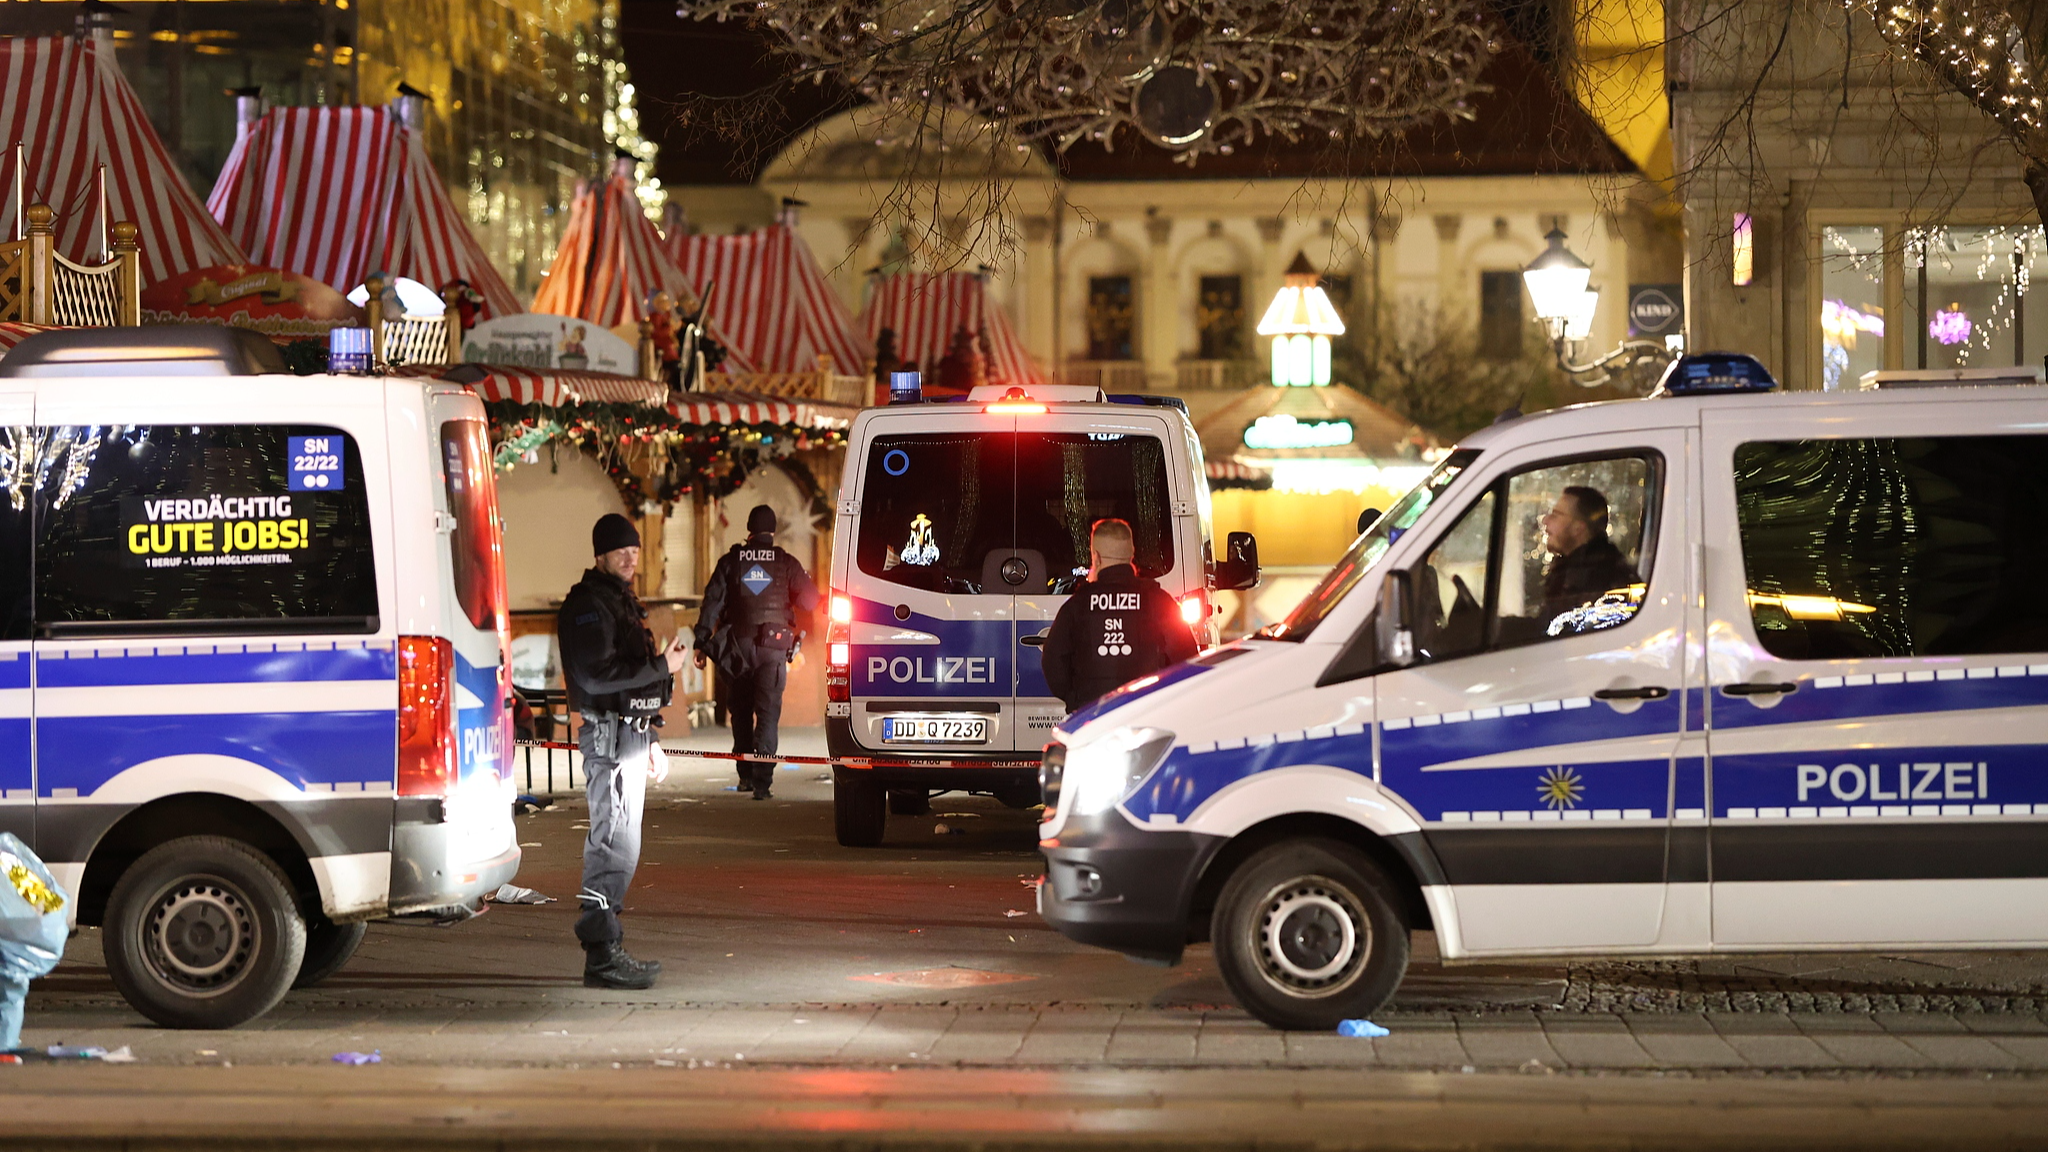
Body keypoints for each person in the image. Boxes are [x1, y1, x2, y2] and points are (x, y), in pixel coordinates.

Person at [557, 513, 686, 989]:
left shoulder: (620, 601)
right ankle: (601, 951)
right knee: (613, 843)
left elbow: (630, 675)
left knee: (624, 845)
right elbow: (596, 677)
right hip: (609, 737)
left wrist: (651, 737)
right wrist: (661, 665)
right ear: (600, 555)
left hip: (628, 735)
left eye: (634, 550)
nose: (630, 558)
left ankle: (606, 943)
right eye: (620, 551)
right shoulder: (588, 605)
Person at [697, 505, 820, 799]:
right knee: (767, 714)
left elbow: (712, 601)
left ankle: (745, 776)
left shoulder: (731, 561)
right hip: (772, 648)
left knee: (740, 713)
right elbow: (811, 601)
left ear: (749, 531)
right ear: (773, 532)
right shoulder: (786, 563)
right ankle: (763, 783)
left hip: (737, 649)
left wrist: (701, 642)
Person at [1040, 519, 1200, 714]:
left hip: (1092, 718)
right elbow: (1187, 657)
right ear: (1131, 554)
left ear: (1096, 557)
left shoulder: (1077, 605)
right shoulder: (1159, 601)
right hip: (1146, 716)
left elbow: (1053, 663)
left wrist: (1078, 699)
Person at [1537, 485, 1640, 624]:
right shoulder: (1574, 568)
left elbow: (1556, 631)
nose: (1545, 520)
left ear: (1577, 528)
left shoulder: (1594, 578)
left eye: (1555, 515)